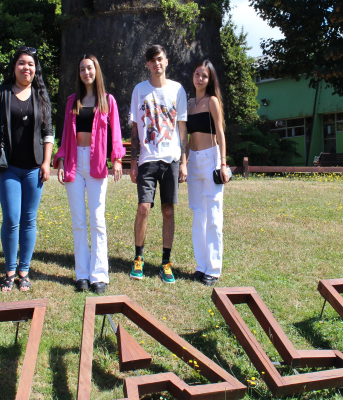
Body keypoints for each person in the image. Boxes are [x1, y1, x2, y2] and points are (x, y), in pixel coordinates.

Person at [0, 46, 54, 292]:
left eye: (31, 64)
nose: (26, 68)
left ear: (35, 69)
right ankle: (10, 272)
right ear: (14, 67)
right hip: (9, 166)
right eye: (22, 63)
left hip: (34, 168)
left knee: (29, 220)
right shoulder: (1, 93)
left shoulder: (41, 96)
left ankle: (25, 271)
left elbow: (48, 132)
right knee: (11, 219)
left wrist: (46, 162)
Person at [55, 54, 126, 294]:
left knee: (97, 220)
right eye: (82, 69)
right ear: (79, 73)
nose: (86, 72)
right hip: (75, 162)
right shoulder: (72, 101)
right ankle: (82, 274)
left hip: (96, 163)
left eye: (90, 68)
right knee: (78, 222)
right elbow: (65, 135)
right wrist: (61, 160)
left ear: (96, 71)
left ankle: (99, 275)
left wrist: (116, 159)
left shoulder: (108, 101)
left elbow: (116, 132)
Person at [129, 44, 188, 284]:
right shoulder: (139, 90)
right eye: (152, 60)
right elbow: (134, 128)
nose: (157, 64)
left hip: (171, 158)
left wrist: (184, 162)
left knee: (168, 210)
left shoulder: (178, 90)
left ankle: (166, 262)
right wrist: (133, 162)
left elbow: (183, 129)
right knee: (144, 207)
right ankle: (138, 258)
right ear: (147, 64)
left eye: (160, 59)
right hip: (147, 159)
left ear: (166, 61)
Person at [186, 60, 230, 286]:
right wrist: (184, 162)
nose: (199, 79)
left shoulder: (212, 101)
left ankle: (213, 269)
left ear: (210, 80)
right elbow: (186, 136)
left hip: (211, 159)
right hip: (193, 161)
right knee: (198, 216)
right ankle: (201, 266)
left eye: (204, 76)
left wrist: (223, 163)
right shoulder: (190, 102)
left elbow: (220, 133)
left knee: (213, 216)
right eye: (197, 74)